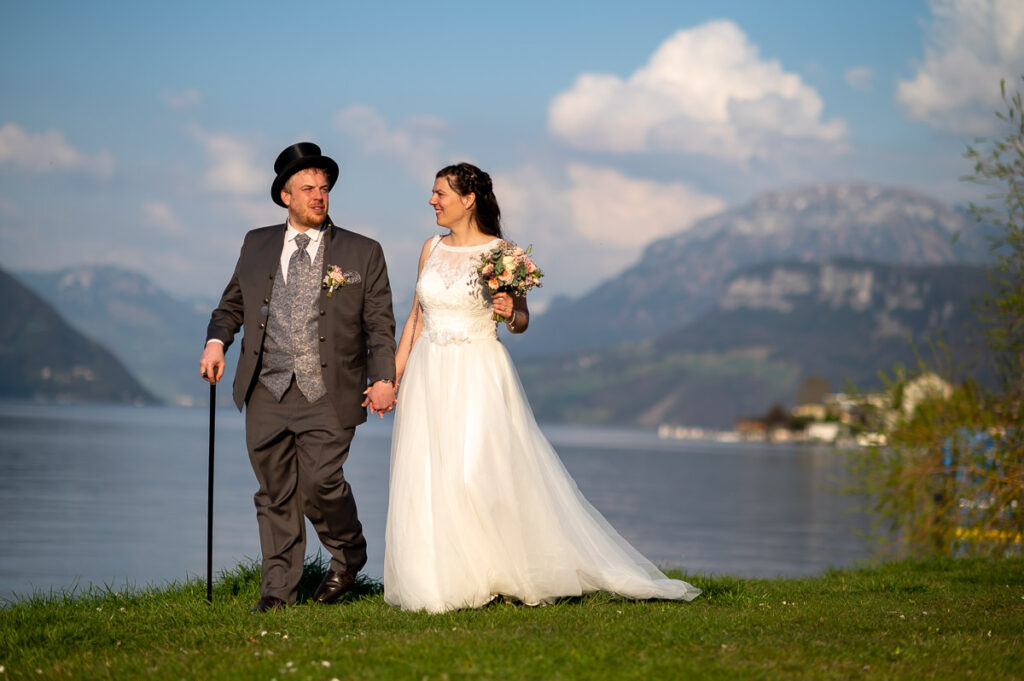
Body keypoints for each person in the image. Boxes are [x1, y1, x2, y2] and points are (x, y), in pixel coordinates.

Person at [382, 162, 700, 613]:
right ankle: (443, 578)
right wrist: (394, 376)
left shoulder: (503, 253)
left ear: (467, 199)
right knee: (432, 472)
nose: (432, 201)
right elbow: (415, 317)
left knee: (476, 471)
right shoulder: (429, 248)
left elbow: (521, 323)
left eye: (440, 193)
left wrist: (511, 309)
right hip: (430, 370)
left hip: (477, 370)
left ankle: (499, 568)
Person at [200, 142, 397, 612]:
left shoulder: (362, 251)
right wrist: (215, 341)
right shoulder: (256, 242)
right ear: (285, 196)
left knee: (322, 483)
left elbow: (379, 325)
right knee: (274, 493)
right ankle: (278, 591)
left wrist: (384, 376)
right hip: (265, 387)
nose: (319, 195)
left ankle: (348, 554)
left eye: (324, 187)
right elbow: (232, 305)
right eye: (308, 187)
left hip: (330, 391)